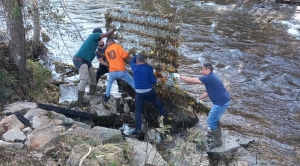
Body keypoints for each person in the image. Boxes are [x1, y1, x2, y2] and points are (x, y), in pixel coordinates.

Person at [172, 63, 230, 149]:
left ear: (208, 70)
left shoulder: (209, 77)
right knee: (215, 118)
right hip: (223, 100)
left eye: (203, 70)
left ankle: (218, 141)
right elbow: (209, 92)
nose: (201, 71)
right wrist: (199, 98)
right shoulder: (212, 78)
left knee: (210, 121)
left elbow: (192, 80)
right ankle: (217, 134)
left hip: (220, 102)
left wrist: (179, 76)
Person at [73, 27, 116, 106]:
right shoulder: (93, 36)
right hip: (80, 60)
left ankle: (92, 91)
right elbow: (108, 34)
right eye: (100, 36)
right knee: (84, 78)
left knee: (93, 75)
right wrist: (113, 29)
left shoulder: (95, 44)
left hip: (87, 61)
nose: (101, 38)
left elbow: (101, 53)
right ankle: (80, 99)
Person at [130, 53, 166, 134]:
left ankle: (138, 129)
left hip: (139, 92)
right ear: (145, 60)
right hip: (149, 91)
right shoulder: (149, 68)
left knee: (138, 110)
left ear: (137, 61)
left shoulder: (134, 67)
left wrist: (135, 55)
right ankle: (163, 112)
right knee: (156, 100)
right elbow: (153, 81)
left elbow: (131, 61)